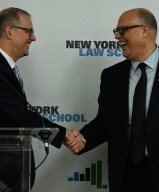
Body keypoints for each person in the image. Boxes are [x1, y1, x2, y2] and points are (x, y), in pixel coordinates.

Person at [65, 7, 159, 192]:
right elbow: (105, 122)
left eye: (123, 30)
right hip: (126, 176)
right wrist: (82, 139)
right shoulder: (111, 76)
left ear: (145, 30)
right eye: (116, 31)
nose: (117, 36)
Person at [0, 7, 85, 192]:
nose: (33, 38)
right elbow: (18, 115)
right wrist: (63, 135)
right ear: (9, 31)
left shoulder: (8, 69)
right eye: (29, 31)